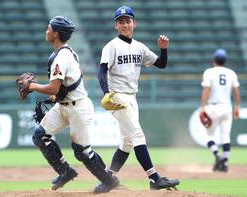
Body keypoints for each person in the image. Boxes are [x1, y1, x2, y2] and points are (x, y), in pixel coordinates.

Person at [28, 16, 118, 192]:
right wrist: (58, 95)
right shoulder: (66, 52)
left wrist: (33, 86)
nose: (46, 31)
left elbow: (54, 87)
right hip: (64, 105)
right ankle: (65, 172)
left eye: (49, 29)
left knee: (82, 152)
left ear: (55, 34)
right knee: (39, 136)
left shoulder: (62, 56)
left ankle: (109, 181)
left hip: (78, 108)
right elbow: (71, 80)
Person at [96, 6, 180, 191]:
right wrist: (105, 93)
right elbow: (102, 71)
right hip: (117, 97)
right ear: (116, 25)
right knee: (137, 135)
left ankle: (109, 178)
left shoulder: (139, 47)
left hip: (132, 97)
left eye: (128, 21)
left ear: (134, 23)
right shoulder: (111, 47)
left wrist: (163, 49)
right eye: (121, 22)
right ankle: (154, 179)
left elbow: (161, 64)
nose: (125, 24)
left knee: (127, 142)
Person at [200, 48, 240, 172]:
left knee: (209, 135)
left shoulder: (209, 72)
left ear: (214, 60)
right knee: (226, 136)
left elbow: (206, 90)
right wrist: (237, 107)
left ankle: (217, 155)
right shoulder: (231, 73)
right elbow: (236, 91)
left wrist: (202, 107)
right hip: (227, 107)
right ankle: (225, 163)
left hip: (213, 107)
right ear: (225, 60)